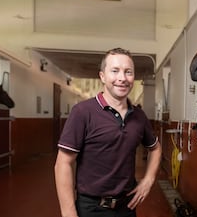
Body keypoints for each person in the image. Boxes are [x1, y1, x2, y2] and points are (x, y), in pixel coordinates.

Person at [54, 47, 162, 217]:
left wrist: (148, 180)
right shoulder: (82, 112)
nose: (122, 78)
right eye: (115, 71)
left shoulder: (139, 116)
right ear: (103, 76)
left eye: (128, 72)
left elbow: (155, 148)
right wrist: (69, 214)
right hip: (92, 208)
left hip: (127, 206)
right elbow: (63, 164)